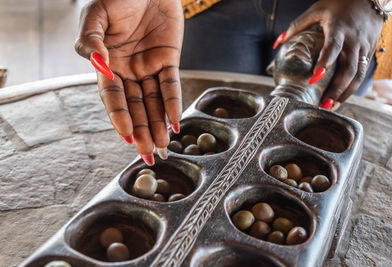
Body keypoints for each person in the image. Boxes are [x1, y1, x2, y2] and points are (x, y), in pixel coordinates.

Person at [75, 0, 388, 166]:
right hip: (202, 7)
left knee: (316, 142)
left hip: (347, 12)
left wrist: (374, 2)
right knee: (211, 133)